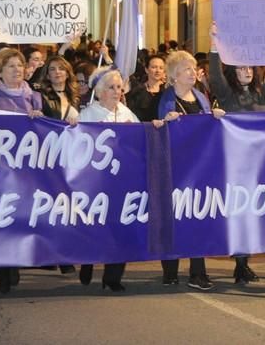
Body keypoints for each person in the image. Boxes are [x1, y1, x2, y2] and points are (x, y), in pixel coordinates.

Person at [208, 21, 265, 284]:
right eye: (241, 67)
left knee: (252, 213)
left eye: (249, 67)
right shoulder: (226, 95)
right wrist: (214, 44)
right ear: (233, 71)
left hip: (259, 164)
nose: (246, 70)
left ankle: (243, 263)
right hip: (234, 164)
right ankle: (241, 263)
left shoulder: (262, 93)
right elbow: (214, 76)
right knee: (238, 213)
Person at [77, 67, 164, 292]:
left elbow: (141, 140)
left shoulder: (126, 113)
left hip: (122, 181)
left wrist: (151, 127)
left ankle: (113, 276)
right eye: (111, 88)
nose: (117, 92)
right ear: (99, 91)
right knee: (96, 226)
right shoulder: (87, 115)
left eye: (119, 87)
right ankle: (87, 260)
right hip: (97, 181)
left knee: (120, 226)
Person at [0, 48, 44, 294]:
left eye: (20, 66)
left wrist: (41, 118)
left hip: (27, 168)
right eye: (11, 66)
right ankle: (4, 274)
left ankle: (17, 262)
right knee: (2, 219)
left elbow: (51, 128)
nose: (17, 70)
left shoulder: (34, 96)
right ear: (0, 71)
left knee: (22, 218)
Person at [158, 51, 224, 291]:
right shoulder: (166, 100)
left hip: (200, 169)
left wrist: (214, 117)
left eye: (194, 68)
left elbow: (207, 130)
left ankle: (198, 272)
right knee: (174, 218)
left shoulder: (201, 98)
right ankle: (170, 269)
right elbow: (159, 131)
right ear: (174, 75)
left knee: (199, 217)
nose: (193, 72)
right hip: (175, 169)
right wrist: (166, 121)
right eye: (187, 69)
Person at [39, 55, 80, 125]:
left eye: (61, 68)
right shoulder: (41, 96)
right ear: (48, 76)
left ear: (67, 74)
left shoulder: (75, 97)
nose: (57, 72)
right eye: (52, 69)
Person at [126, 54, 167, 122]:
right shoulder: (137, 91)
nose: (158, 71)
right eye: (154, 67)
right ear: (146, 70)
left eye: (161, 68)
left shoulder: (168, 91)